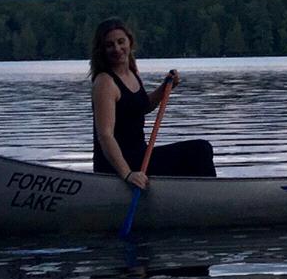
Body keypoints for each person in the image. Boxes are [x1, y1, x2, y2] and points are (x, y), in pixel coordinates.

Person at [89, 18, 215, 187]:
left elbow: (142, 106)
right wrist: (127, 174)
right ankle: (212, 198)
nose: (117, 49)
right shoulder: (105, 82)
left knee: (199, 151)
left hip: (141, 156)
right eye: (109, 45)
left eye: (121, 42)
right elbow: (105, 135)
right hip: (117, 166)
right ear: (102, 50)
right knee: (200, 150)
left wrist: (165, 88)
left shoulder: (132, 72)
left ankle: (203, 198)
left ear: (130, 42)